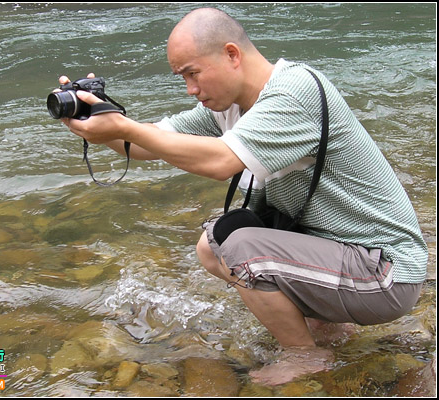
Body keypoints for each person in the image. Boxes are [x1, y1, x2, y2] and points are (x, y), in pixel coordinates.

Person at [58, 7, 428, 385]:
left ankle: (306, 356)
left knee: (241, 248)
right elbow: (149, 144)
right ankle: (330, 329)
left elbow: (221, 162)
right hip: (342, 255)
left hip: (386, 274)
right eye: (182, 77)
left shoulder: (294, 93)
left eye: (192, 73)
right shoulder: (230, 106)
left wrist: (122, 127)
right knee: (212, 243)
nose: (190, 89)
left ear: (232, 55)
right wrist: (98, 121)